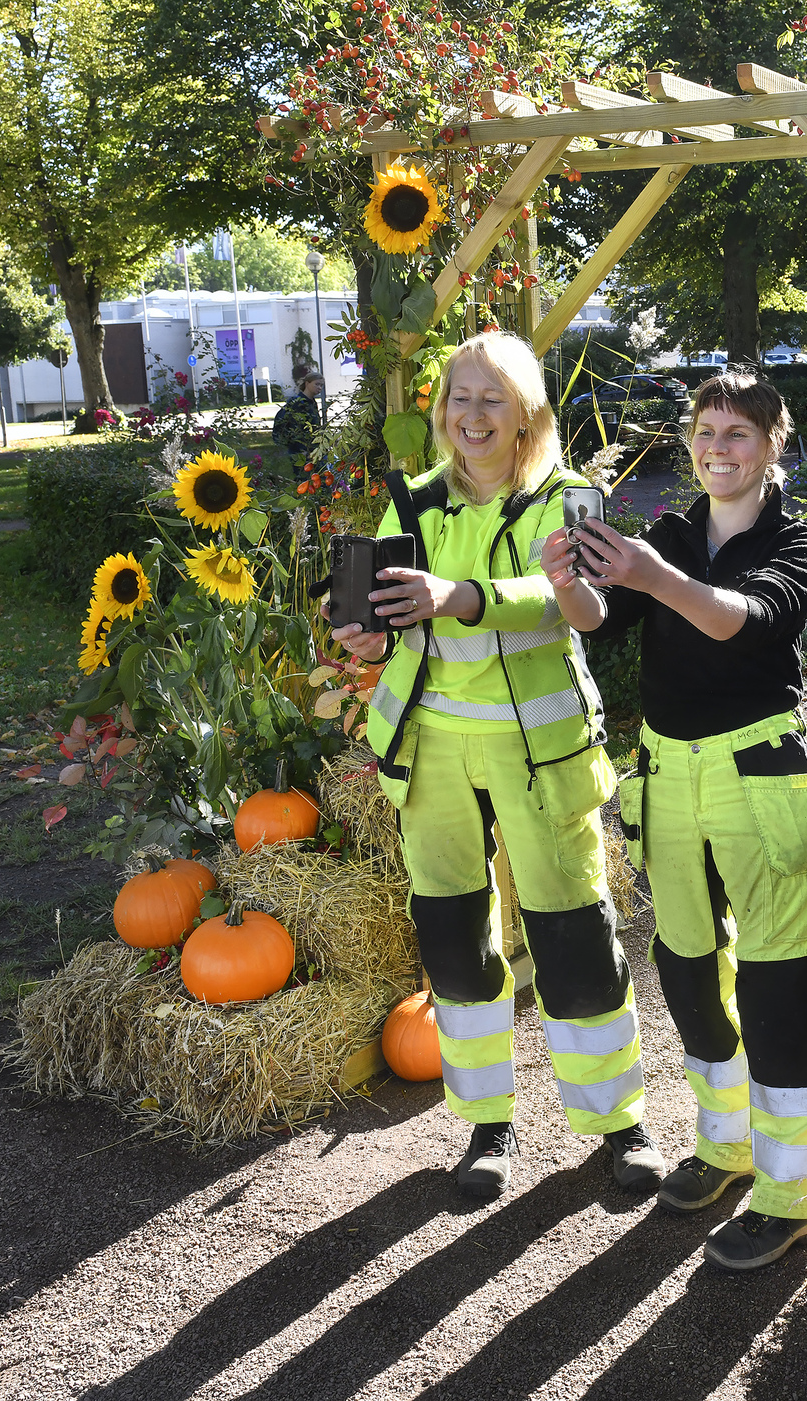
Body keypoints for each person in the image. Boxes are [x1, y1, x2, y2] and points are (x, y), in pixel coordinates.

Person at [325, 331, 664, 1200]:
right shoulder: (416, 501)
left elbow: (563, 605)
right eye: (458, 398)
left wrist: (459, 597)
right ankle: (486, 1123)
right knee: (455, 943)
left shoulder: (571, 498)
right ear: (441, 413)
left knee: (573, 936)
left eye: (492, 399)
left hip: (538, 755)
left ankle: (617, 1123)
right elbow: (400, 609)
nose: (471, 415)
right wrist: (372, 627)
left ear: (528, 415)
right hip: (432, 751)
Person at [551, 369, 807, 1271]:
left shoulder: (799, 542)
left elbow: (742, 623)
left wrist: (650, 572)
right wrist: (569, 582)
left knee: (778, 986)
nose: (718, 448)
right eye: (706, 431)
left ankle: (795, 1191)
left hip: (757, 773)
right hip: (665, 775)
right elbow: (601, 624)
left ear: (773, 445)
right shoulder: (673, 531)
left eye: (739, 435)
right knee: (685, 971)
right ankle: (725, 1150)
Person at [273, 373, 325, 457]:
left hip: (311, 449)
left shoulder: (311, 403)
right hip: (299, 452)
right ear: (307, 383)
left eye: (321, 385)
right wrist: (301, 451)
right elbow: (294, 428)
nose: (319, 387)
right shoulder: (298, 403)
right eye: (317, 384)